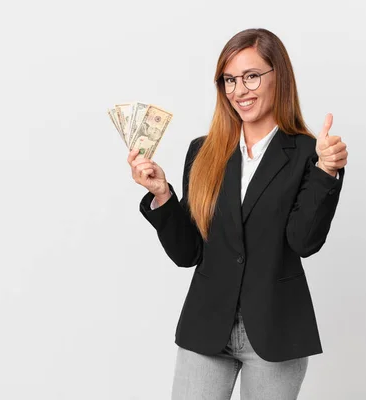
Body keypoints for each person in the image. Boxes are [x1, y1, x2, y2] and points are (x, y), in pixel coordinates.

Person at [127, 28, 348, 400]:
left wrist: (326, 172)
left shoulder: (310, 153)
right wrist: (163, 195)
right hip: (206, 326)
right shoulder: (203, 151)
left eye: (251, 76)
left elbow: (304, 241)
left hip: (276, 329)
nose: (239, 90)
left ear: (279, 76)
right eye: (230, 80)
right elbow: (188, 254)